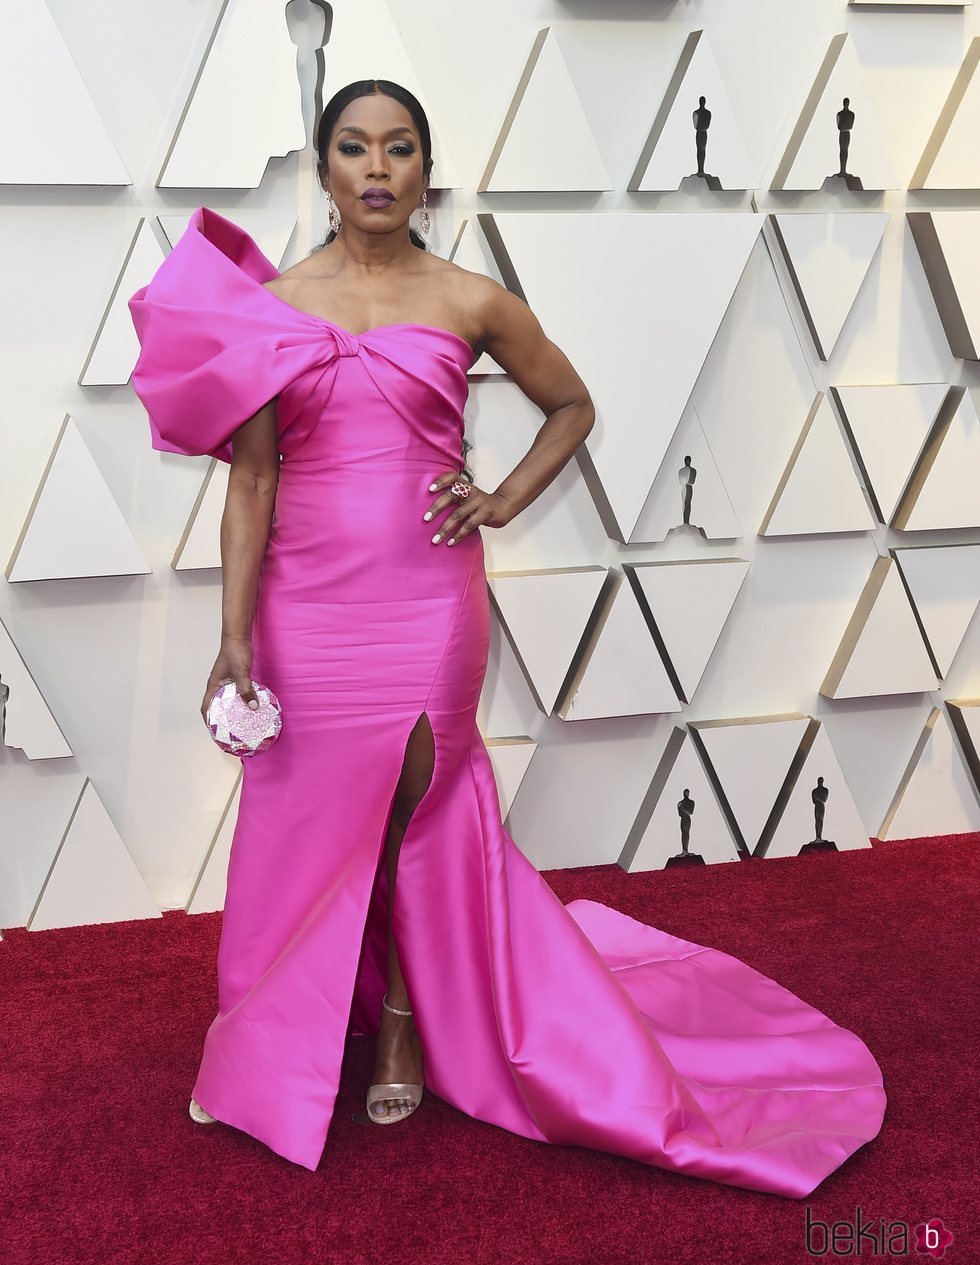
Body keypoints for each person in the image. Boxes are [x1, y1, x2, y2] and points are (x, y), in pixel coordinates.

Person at [128, 78, 886, 1198]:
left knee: (417, 806)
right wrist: (234, 635)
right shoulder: (273, 303)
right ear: (323, 167)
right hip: (305, 605)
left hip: (428, 598)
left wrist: (502, 498)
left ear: (426, 170)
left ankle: (399, 1025)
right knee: (293, 819)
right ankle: (254, 1045)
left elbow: (571, 404)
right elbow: (249, 482)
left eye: (398, 149)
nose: (376, 168)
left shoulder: (472, 299)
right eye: (352, 148)